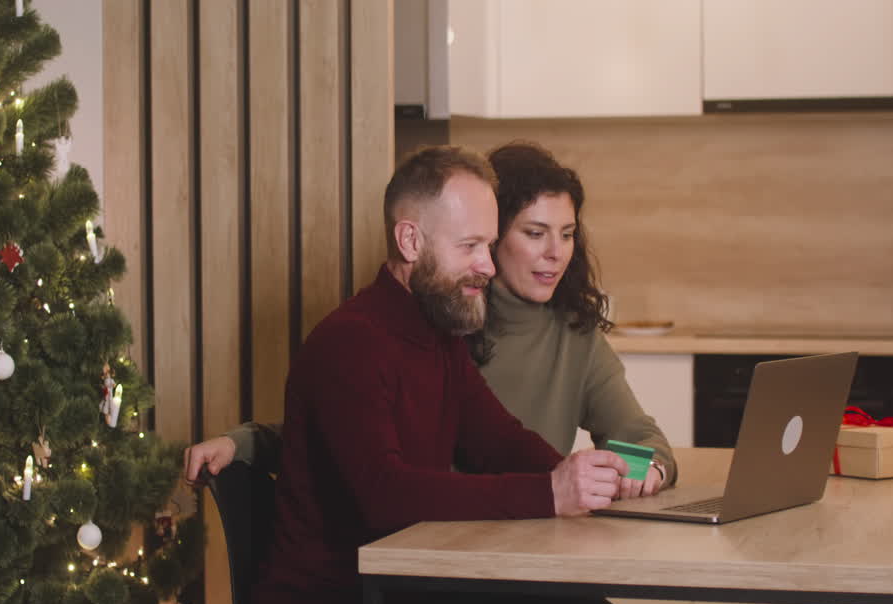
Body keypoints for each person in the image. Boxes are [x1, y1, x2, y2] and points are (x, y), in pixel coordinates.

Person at [192, 145, 665, 604]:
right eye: (470, 247)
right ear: (411, 242)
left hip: (397, 600)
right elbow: (387, 494)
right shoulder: (351, 343)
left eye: (489, 246)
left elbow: (498, 439)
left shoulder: (437, 338)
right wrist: (550, 493)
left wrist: (581, 482)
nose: (487, 266)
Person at [188, 141, 676, 493]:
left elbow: (620, 440)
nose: (556, 253)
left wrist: (635, 471)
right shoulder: (436, 318)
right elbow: (355, 450)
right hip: (427, 563)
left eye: (567, 234)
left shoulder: (570, 336)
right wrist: (247, 443)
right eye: (534, 233)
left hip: (505, 547)